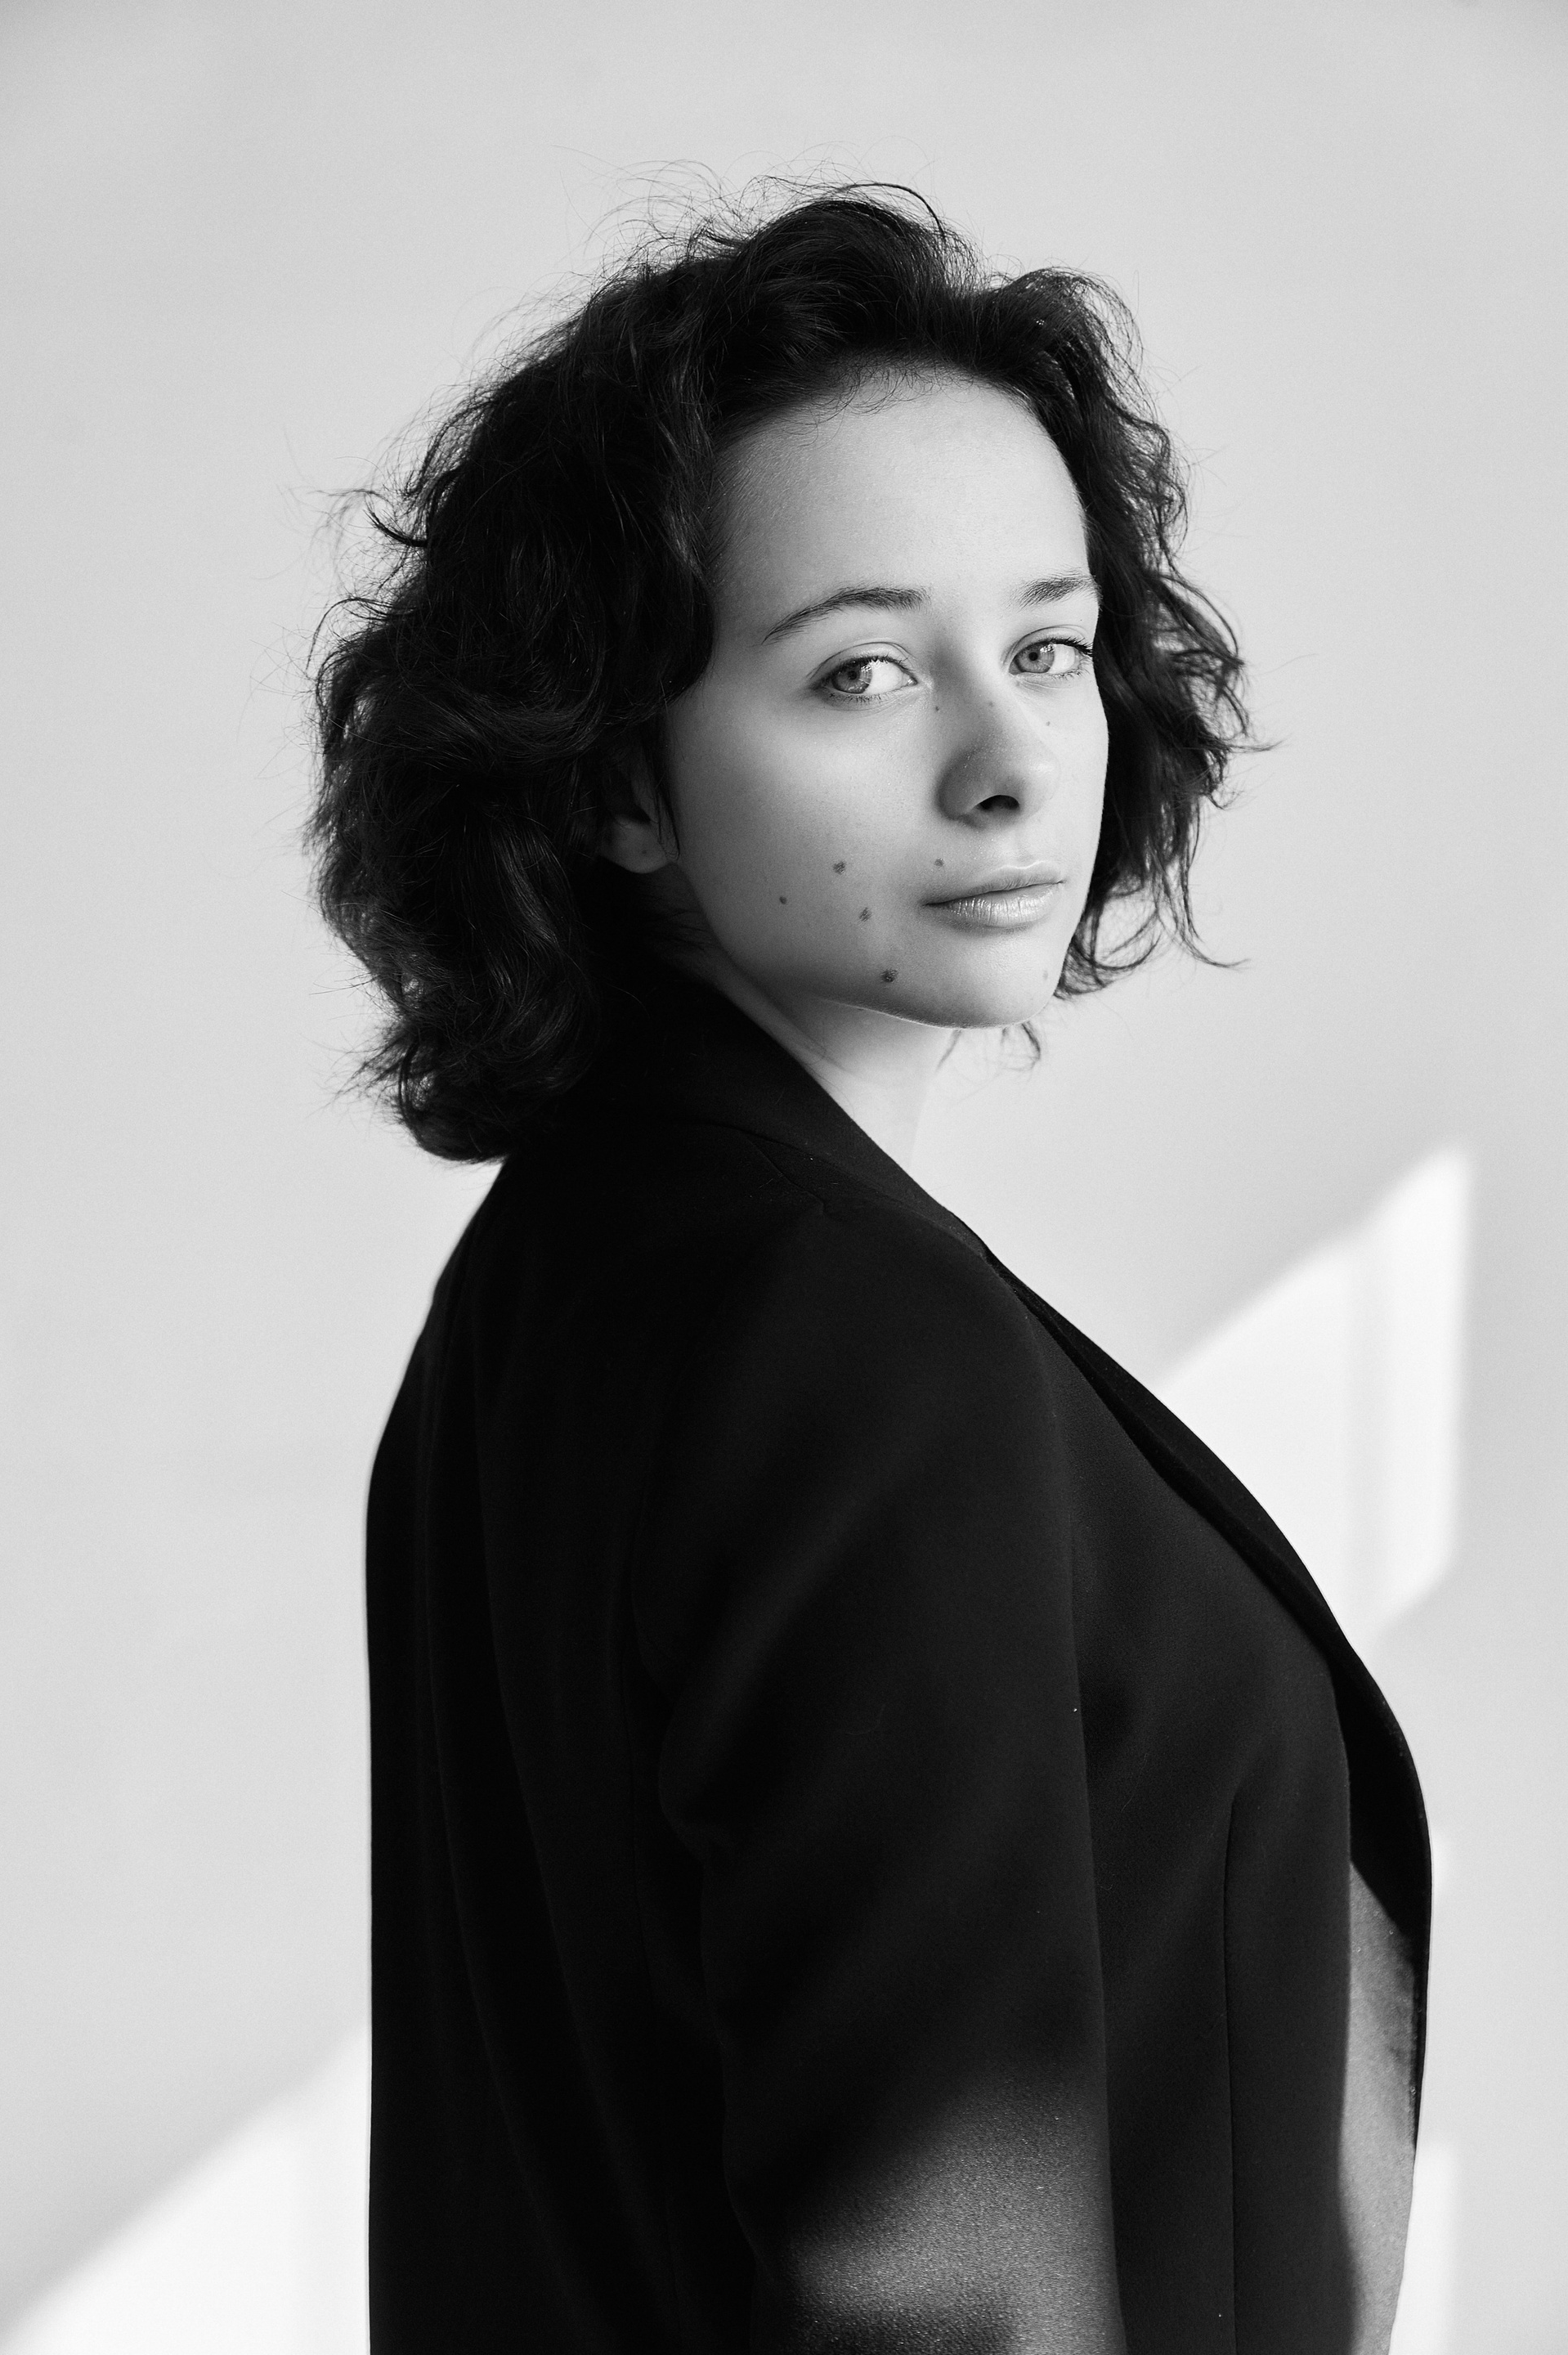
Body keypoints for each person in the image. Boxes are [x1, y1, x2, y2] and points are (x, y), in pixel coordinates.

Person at [308, 184, 1428, 2353]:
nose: (1011, 766)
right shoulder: (841, 1333)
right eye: (864, 670)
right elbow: (940, 2270)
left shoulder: (565, 1277)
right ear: (621, 777)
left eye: (1050, 646)